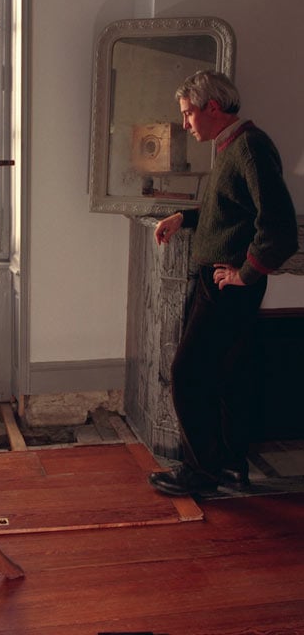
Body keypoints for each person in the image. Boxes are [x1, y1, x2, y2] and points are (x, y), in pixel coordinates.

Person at [148, 70, 298, 496]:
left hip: (227, 285)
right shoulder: (231, 146)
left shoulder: (249, 147)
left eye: (188, 113)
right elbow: (233, 212)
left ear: (212, 108)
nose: (185, 123)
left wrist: (246, 273)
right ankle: (230, 465)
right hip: (221, 281)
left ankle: (201, 471)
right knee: (228, 375)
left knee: (187, 372)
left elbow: (279, 228)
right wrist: (185, 218)